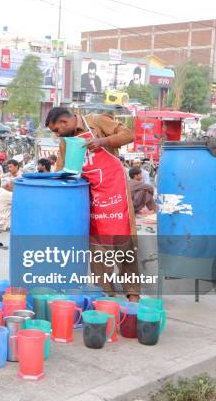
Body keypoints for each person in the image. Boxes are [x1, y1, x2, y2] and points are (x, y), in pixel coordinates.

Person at [46, 106, 139, 301]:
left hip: (114, 193)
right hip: (91, 198)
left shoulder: (97, 121)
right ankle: (106, 297)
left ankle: (133, 297)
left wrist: (104, 141)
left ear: (64, 122)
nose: (56, 135)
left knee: (124, 246)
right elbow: (62, 171)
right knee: (98, 251)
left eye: (56, 130)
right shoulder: (66, 142)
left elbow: (129, 134)